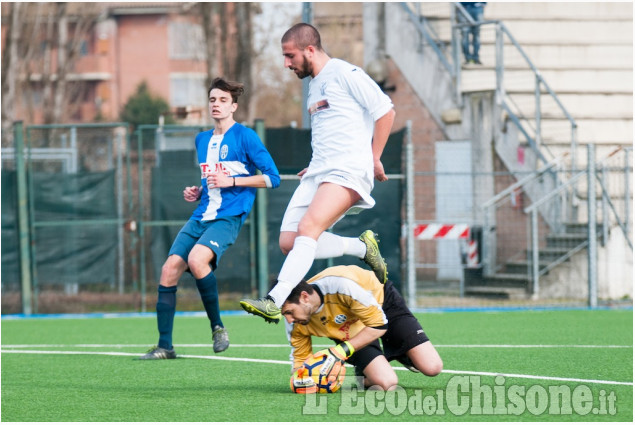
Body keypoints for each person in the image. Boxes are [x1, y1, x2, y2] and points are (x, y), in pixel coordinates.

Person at [240, 23, 396, 323]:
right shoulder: (314, 85)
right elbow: (334, 128)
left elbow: (385, 111)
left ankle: (274, 299)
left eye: (290, 56)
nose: (286, 63)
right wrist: (316, 163)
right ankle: (361, 247)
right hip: (320, 171)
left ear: (310, 49)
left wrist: (374, 158)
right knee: (289, 241)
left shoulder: (346, 73)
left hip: (349, 170)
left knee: (309, 228)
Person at [139, 78, 280, 360]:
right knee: (168, 270)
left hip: (228, 217)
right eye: (213, 100)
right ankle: (165, 346)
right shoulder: (202, 139)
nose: (216, 105)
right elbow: (211, 179)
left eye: (223, 100)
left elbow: (272, 179)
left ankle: (218, 327)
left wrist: (231, 181)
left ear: (234, 106)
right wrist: (198, 189)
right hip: (201, 214)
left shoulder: (246, 137)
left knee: (196, 260)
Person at [283, 265, 443, 392]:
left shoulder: (340, 285)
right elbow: (300, 364)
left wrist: (339, 352)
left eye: (290, 312)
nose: (289, 319)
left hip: (382, 302)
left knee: (432, 367)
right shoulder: (295, 322)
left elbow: (379, 325)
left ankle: (403, 353)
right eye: (284, 315)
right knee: (387, 384)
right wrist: (303, 378)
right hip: (351, 329)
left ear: (304, 297)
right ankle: (364, 374)